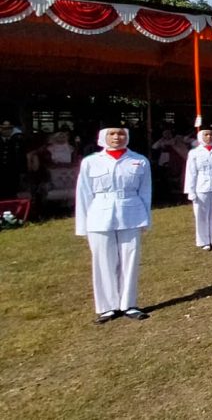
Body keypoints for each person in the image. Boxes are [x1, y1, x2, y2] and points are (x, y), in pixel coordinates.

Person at [75, 127, 152, 324]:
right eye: (112, 134)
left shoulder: (139, 160)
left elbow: (145, 192)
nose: (117, 137)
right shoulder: (91, 162)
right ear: (103, 137)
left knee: (130, 258)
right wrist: (82, 226)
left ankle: (129, 304)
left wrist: (146, 219)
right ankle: (108, 307)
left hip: (131, 212)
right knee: (103, 261)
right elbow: (83, 195)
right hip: (99, 214)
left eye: (121, 134)